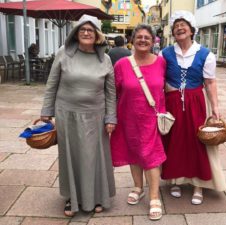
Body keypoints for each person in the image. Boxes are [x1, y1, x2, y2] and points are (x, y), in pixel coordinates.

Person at [40, 14, 117, 217]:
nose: (85, 33)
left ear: (97, 35)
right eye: (82, 29)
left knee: (94, 158)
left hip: (96, 116)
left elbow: (110, 92)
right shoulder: (64, 53)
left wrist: (111, 117)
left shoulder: (105, 59)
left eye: (90, 30)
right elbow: (52, 84)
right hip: (67, 114)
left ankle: (98, 196)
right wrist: (46, 111)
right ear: (76, 32)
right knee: (71, 157)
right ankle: (71, 198)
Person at [161, 10, 226, 205]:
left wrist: (215, 107)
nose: (179, 28)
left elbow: (210, 83)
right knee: (174, 140)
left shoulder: (205, 54)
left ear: (191, 30)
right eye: (176, 26)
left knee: (196, 141)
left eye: (183, 25)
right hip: (172, 102)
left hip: (196, 102)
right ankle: (176, 180)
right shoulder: (165, 53)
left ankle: (199, 184)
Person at [110, 24, 166, 221]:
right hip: (128, 117)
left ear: (153, 42)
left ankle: (153, 196)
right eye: (139, 37)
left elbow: (163, 90)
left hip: (152, 117)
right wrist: (110, 117)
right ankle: (138, 187)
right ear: (132, 40)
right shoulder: (122, 65)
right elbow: (112, 93)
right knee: (133, 152)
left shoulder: (161, 62)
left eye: (147, 38)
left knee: (150, 155)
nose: (143, 40)